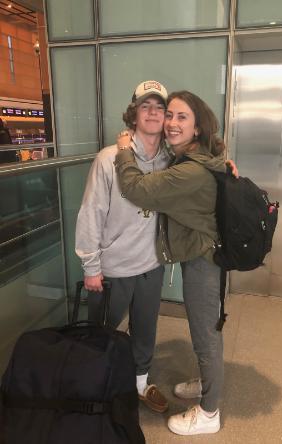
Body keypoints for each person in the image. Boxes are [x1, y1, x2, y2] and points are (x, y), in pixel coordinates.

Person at [115, 90, 238, 436]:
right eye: (169, 115)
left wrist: (125, 149)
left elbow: (136, 188)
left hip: (203, 261)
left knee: (204, 335)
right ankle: (207, 382)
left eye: (181, 117)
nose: (170, 122)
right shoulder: (196, 158)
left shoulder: (190, 172)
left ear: (197, 127)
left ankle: (209, 412)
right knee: (207, 328)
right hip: (204, 253)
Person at [75, 80, 171, 414]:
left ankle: (140, 384)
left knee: (145, 331)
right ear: (134, 114)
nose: (153, 113)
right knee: (100, 333)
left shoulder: (169, 160)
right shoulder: (109, 158)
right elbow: (91, 212)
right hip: (113, 268)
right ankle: (95, 386)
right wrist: (91, 267)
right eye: (145, 106)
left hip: (151, 265)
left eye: (159, 107)